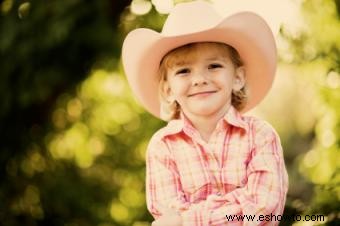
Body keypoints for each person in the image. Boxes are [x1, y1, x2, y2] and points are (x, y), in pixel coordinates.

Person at [122, 1, 288, 225]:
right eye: (183, 71)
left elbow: (263, 211)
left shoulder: (260, 136)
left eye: (214, 66)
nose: (200, 79)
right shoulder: (163, 146)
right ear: (168, 89)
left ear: (237, 78)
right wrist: (238, 204)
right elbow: (167, 215)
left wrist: (188, 219)